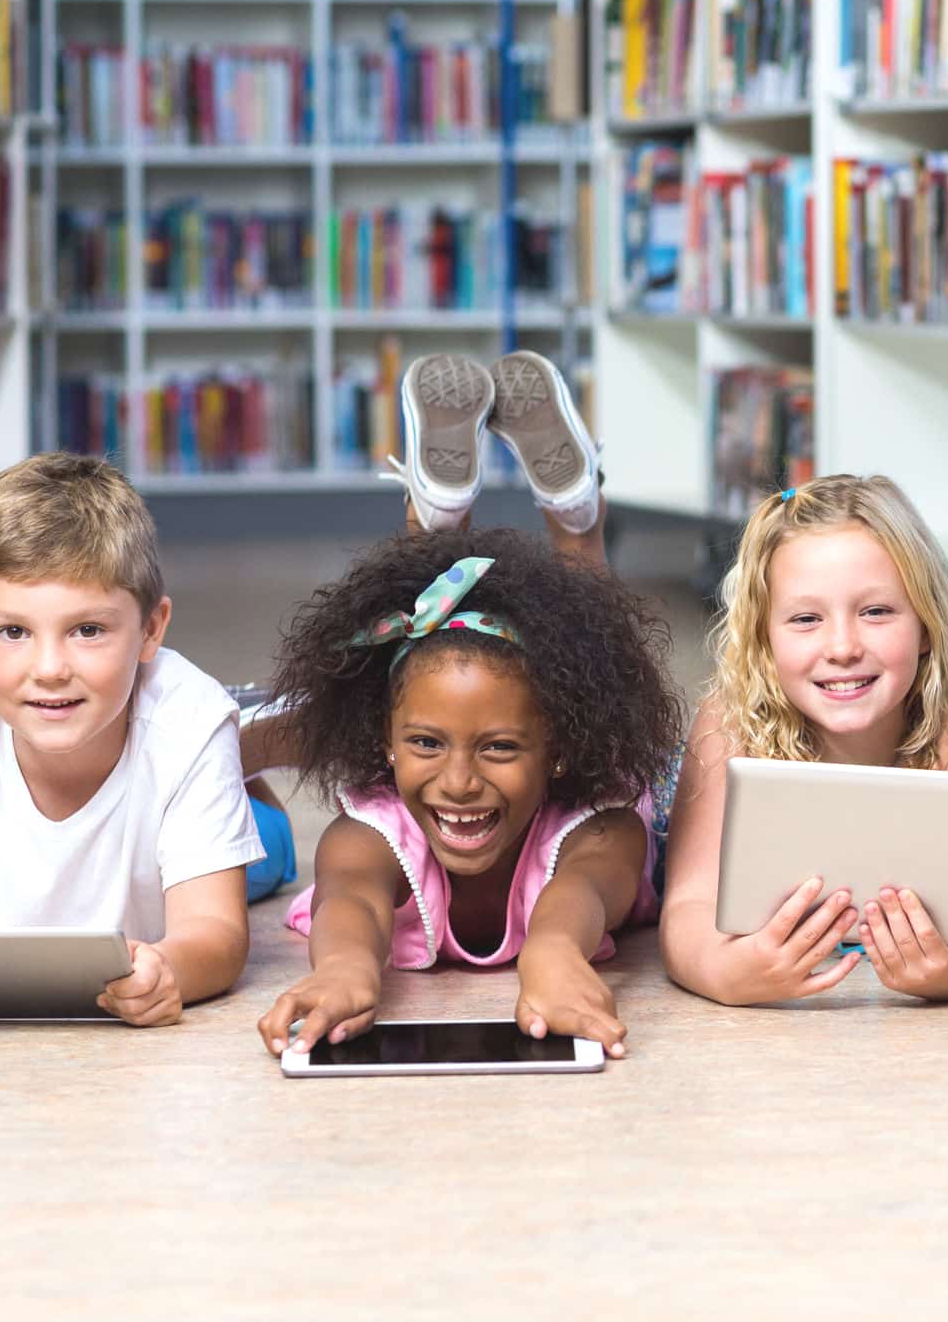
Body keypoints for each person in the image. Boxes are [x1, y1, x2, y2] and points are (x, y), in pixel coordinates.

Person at [253, 352, 683, 1058]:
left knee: (580, 636)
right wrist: (344, 969)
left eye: (501, 748)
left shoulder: (600, 823)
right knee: (427, 635)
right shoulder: (372, 828)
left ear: (560, 746)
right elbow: (353, 899)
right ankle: (500, 512)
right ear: (384, 741)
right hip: (457, 689)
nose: (458, 781)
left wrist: (552, 956)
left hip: (603, 767)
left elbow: (578, 893)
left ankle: (550, 522)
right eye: (424, 744)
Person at [0, 454, 267, 1026]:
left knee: (262, 857)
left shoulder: (191, 725)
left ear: (151, 629)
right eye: (13, 632)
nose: (49, 668)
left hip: (174, 785)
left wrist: (168, 968)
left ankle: (254, 782)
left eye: (87, 630)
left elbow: (218, 933)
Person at [659, 476, 948, 1004]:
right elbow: (688, 906)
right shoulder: (728, 722)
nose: (843, 647)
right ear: (764, 640)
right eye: (806, 619)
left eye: (876, 612)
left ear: (925, 626)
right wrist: (722, 972)